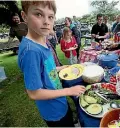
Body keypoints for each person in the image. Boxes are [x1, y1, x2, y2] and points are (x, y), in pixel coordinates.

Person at [18, 1, 85, 127]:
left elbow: (46, 69)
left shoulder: (42, 41)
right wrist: (69, 90)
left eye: (50, 16)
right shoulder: (31, 51)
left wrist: (61, 68)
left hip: (60, 102)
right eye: (38, 14)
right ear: (24, 16)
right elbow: (34, 93)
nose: (46, 22)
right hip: (53, 112)